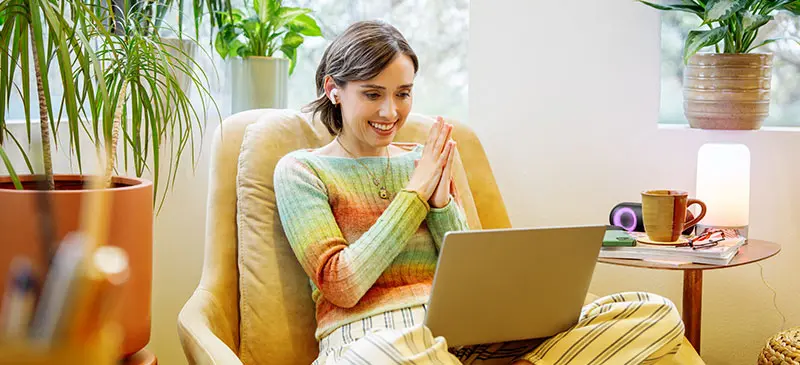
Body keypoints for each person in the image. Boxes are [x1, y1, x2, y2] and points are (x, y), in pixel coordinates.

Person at [274, 20, 685, 365]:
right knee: (394, 355)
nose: (390, 112)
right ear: (333, 89)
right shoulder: (302, 170)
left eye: (402, 94)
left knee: (657, 313)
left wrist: (440, 205)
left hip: (464, 334)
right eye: (372, 94)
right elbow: (342, 285)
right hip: (372, 342)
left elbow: (471, 274)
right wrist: (416, 194)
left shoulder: (428, 158)